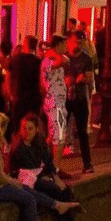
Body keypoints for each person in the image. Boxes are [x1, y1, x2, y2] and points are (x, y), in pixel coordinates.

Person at [8, 115, 87, 221]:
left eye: (30, 129)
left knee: (63, 188)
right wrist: (44, 176)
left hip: (37, 175)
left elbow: (48, 161)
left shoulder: (39, 141)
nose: (26, 132)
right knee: (54, 189)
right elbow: (27, 169)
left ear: (36, 130)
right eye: (24, 128)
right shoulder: (19, 147)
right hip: (25, 179)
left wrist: (55, 177)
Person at [64, 32, 94, 173]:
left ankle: (87, 163)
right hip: (64, 98)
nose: (79, 45)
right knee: (57, 131)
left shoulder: (86, 59)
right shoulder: (64, 59)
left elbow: (89, 78)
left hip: (80, 98)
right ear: (69, 42)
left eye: (81, 42)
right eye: (76, 42)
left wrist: (84, 79)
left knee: (82, 132)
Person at [40, 36, 70, 170]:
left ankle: (46, 163)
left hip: (56, 102)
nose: (66, 47)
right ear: (58, 45)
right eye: (64, 44)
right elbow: (64, 60)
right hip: (55, 103)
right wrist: (52, 52)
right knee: (59, 135)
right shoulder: (50, 60)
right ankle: (56, 169)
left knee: (52, 135)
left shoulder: (51, 58)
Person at [8, 36, 42, 138]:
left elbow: (8, 77)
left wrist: (10, 94)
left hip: (19, 96)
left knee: (17, 126)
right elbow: (41, 81)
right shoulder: (38, 61)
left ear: (25, 44)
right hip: (34, 97)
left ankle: (17, 147)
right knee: (32, 125)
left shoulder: (15, 59)